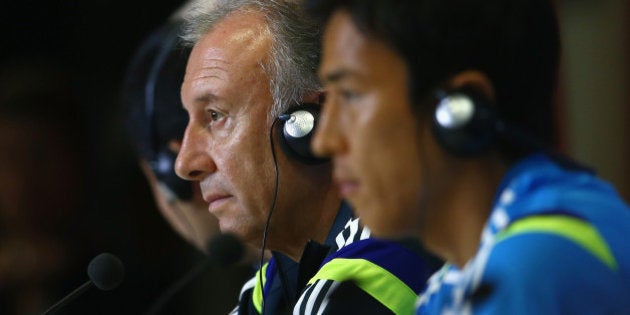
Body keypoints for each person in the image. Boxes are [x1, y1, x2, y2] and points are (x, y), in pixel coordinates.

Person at [308, 0, 630, 313]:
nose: (324, 141)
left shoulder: (532, 270)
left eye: (350, 94)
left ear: (458, 108)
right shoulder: (464, 276)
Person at [174, 0, 440, 314]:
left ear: (313, 122)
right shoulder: (270, 288)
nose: (185, 163)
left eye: (215, 115)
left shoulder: (380, 266)